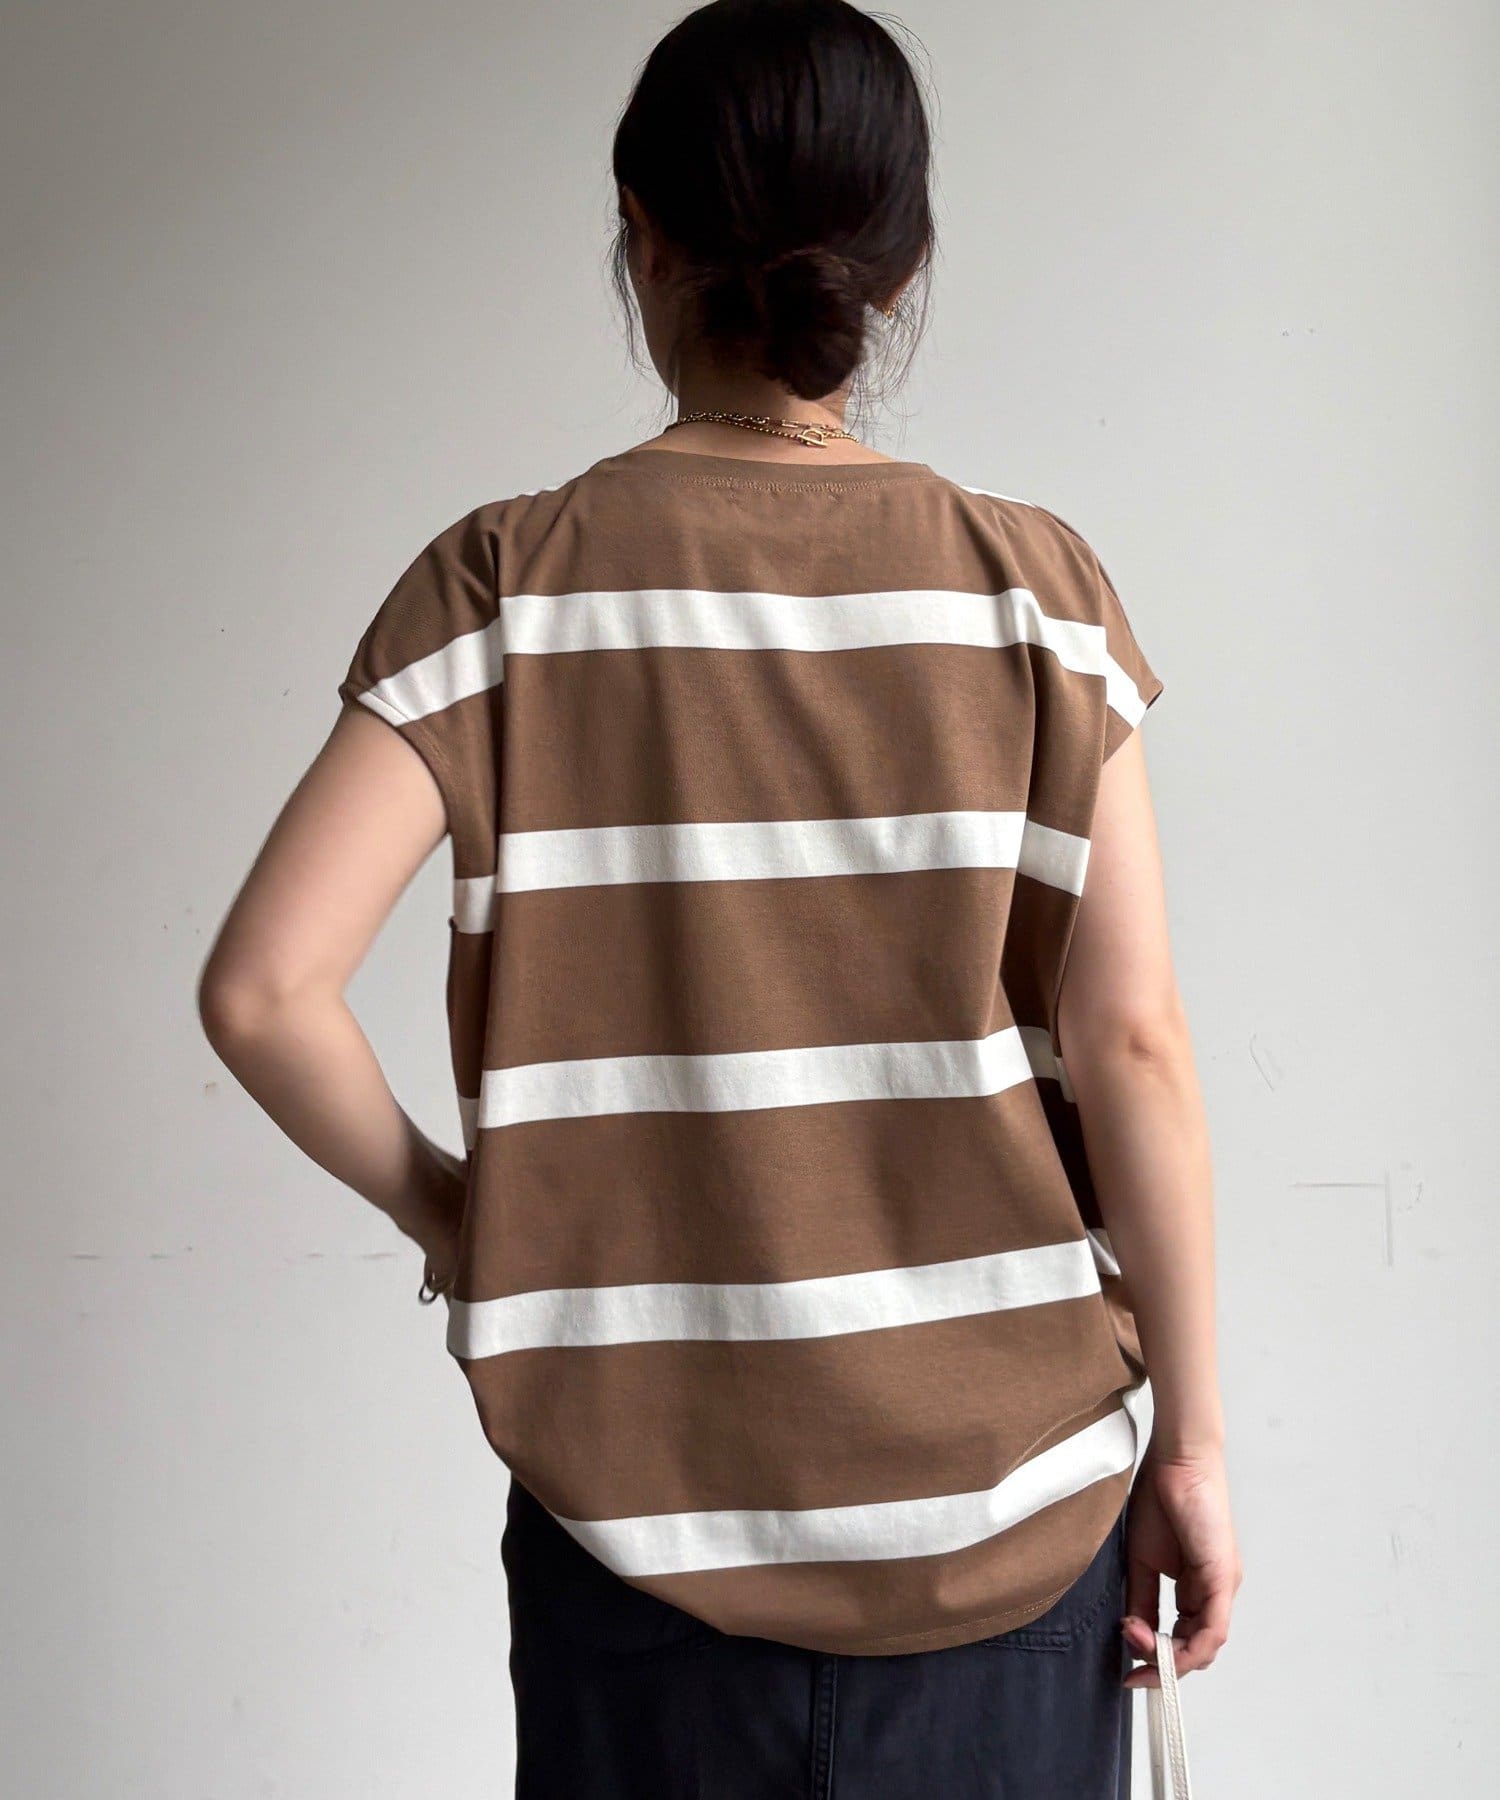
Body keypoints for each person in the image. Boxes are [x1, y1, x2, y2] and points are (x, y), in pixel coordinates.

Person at [198, 2, 1240, 1793]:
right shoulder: (1034, 591)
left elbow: (261, 992)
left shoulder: (505, 587)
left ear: (643, 233)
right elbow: (1131, 1040)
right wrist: (1198, 1450)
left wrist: (462, 1221)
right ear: (901, 265)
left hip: (634, 1536)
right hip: (1013, 1531)